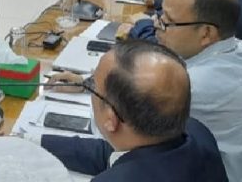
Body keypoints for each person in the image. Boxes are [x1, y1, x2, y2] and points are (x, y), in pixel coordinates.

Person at [51, 0, 242, 182]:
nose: (156, 25)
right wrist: (90, 83)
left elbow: (114, 132)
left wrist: (98, 87)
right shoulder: (236, 49)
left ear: (206, 33)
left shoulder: (192, 84)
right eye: (160, 16)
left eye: (168, 22)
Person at [42, 40, 228, 182]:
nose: (88, 87)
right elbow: (108, 154)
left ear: (111, 119)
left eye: (92, 86)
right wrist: (35, 143)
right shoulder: (196, 132)